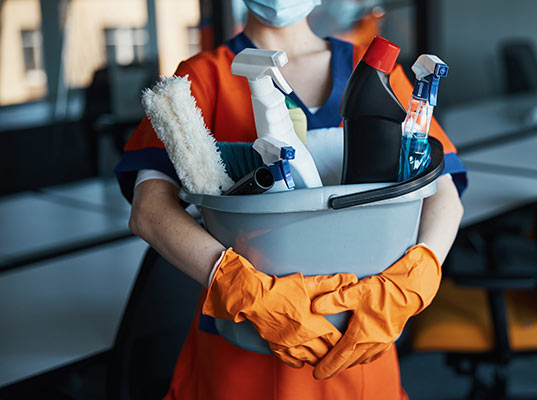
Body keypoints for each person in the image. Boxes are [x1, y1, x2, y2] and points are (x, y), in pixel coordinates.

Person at [114, 0, 467, 398]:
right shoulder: (203, 77)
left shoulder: (375, 68)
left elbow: (444, 194)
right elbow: (149, 211)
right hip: (242, 351)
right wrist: (240, 287)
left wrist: (414, 278)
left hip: (359, 336)